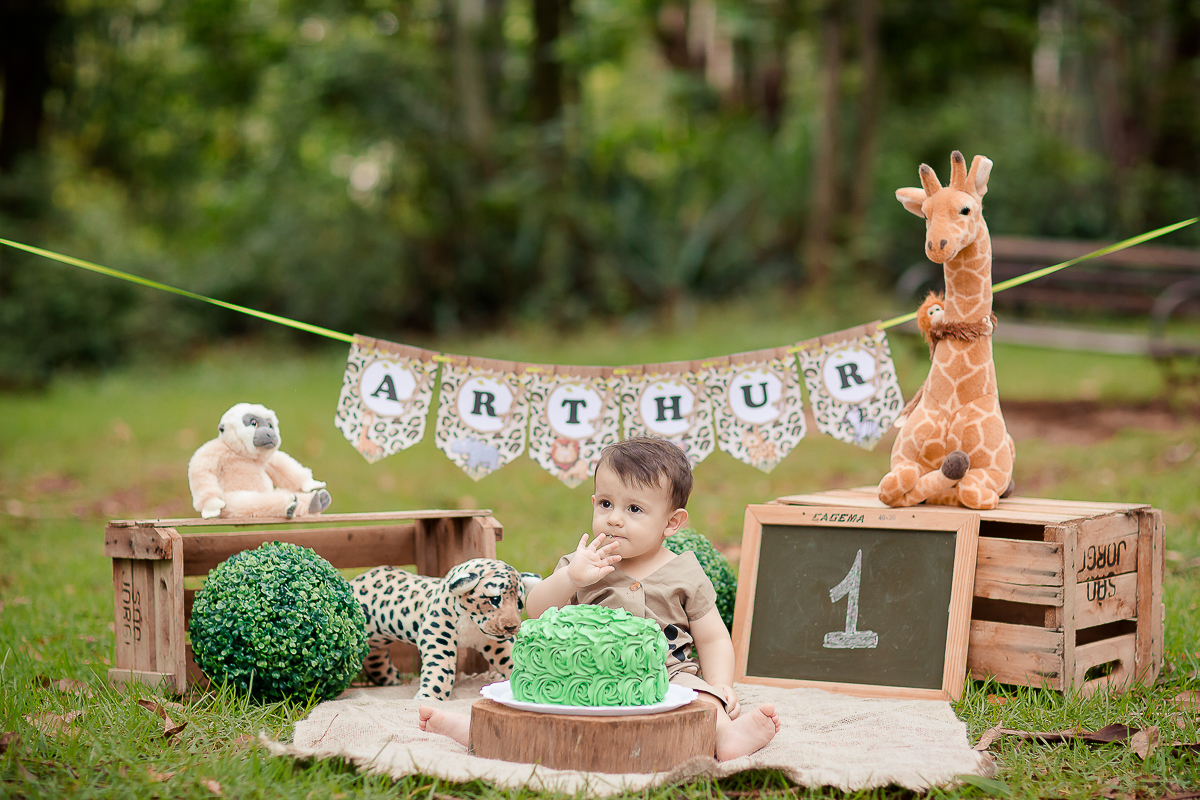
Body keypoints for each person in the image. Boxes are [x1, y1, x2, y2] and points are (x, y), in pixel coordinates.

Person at [419, 436, 780, 761]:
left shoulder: (684, 572)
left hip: (667, 676)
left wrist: (720, 684)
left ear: (671, 523)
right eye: (606, 503)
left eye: (634, 509)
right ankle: (479, 729)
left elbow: (712, 637)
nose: (615, 519)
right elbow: (536, 610)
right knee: (527, 696)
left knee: (702, 700)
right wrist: (570, 578)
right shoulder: (582, 565)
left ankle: (726, 736)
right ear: (593, 502)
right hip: (581, 675)